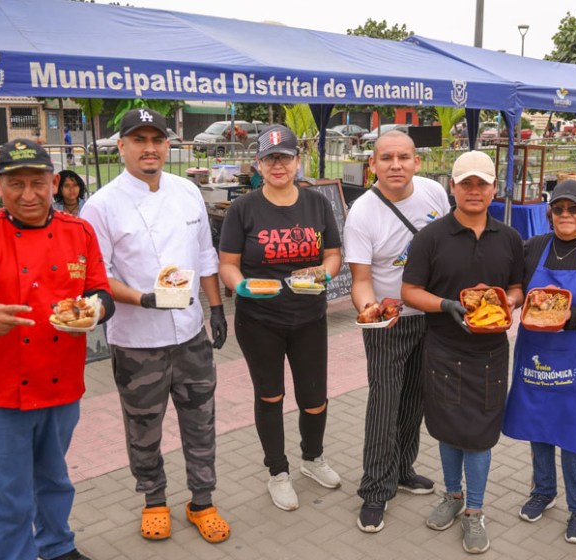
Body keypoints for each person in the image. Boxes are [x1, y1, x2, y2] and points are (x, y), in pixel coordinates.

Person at [0, 139, 114, 560]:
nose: (28, 194)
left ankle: (57, 545)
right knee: (6, 497)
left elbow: (101, 291)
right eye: (16, 184)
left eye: (38, 183)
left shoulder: (79, 231)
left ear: (54, 183)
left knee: (53, 479)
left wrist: (94, 312)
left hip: (61, 385)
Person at [79, 108, 230, 544]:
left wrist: (216, 308)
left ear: (168, 145)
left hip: (190, 335)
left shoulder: (187, 192)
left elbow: (205, 255)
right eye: (139, 140)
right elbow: (99, 275)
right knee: (143, 427)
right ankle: (154, 500)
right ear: (121, 146)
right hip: (135, 340)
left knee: (201, 421)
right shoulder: (101, 206)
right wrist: (143, 298)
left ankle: (202, 500)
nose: (150, 148)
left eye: (157, 140)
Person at [401, 151, 524, 554]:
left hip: (490, 352)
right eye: (466, 183)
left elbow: (518, 288)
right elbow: (409, 291)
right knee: (448, 427)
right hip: (443, 349)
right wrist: (446, 305)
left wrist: (506, 303)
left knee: (479, 435)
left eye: (482, 184)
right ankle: (452, 496)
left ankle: (474, 510)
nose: (474, 191)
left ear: (494, 189)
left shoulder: (508, 238)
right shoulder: (430, 237)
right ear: (452, 187)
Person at [218, 124, 343, 513]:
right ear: (258, 163)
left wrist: (321, 273)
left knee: (315, 398)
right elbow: (228, 264)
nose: (278, 165)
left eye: (284, 157)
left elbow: (334, 256)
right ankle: (278, 472)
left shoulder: (317, 204)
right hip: (259, 319)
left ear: (296, 162)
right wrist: (241, 288)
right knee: (270, 395)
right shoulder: (244, 209)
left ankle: (313, 458)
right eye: (270, 158)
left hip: (308, 315)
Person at [344, 131, 450, 532]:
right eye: (386, 158)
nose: (395, 165)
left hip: (429, 316)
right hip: (387, 323)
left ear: (416, 162)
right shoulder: (362, 213)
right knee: (384, 404)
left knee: (415, 399)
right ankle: (374, 490)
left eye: (403, 157)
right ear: (373, 164)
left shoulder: (434, 194)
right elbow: (360, 279)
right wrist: (371, 312)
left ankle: (402, 469)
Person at [504, 180, 576, 545]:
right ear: (549, 213)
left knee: (575, 434)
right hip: (535, 353)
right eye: (558, 209)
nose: (565, 215)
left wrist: (562, 316)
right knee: (538, 425)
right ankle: (543, 490)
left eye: (574, 209)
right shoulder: (534, 247)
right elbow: (517, 290)